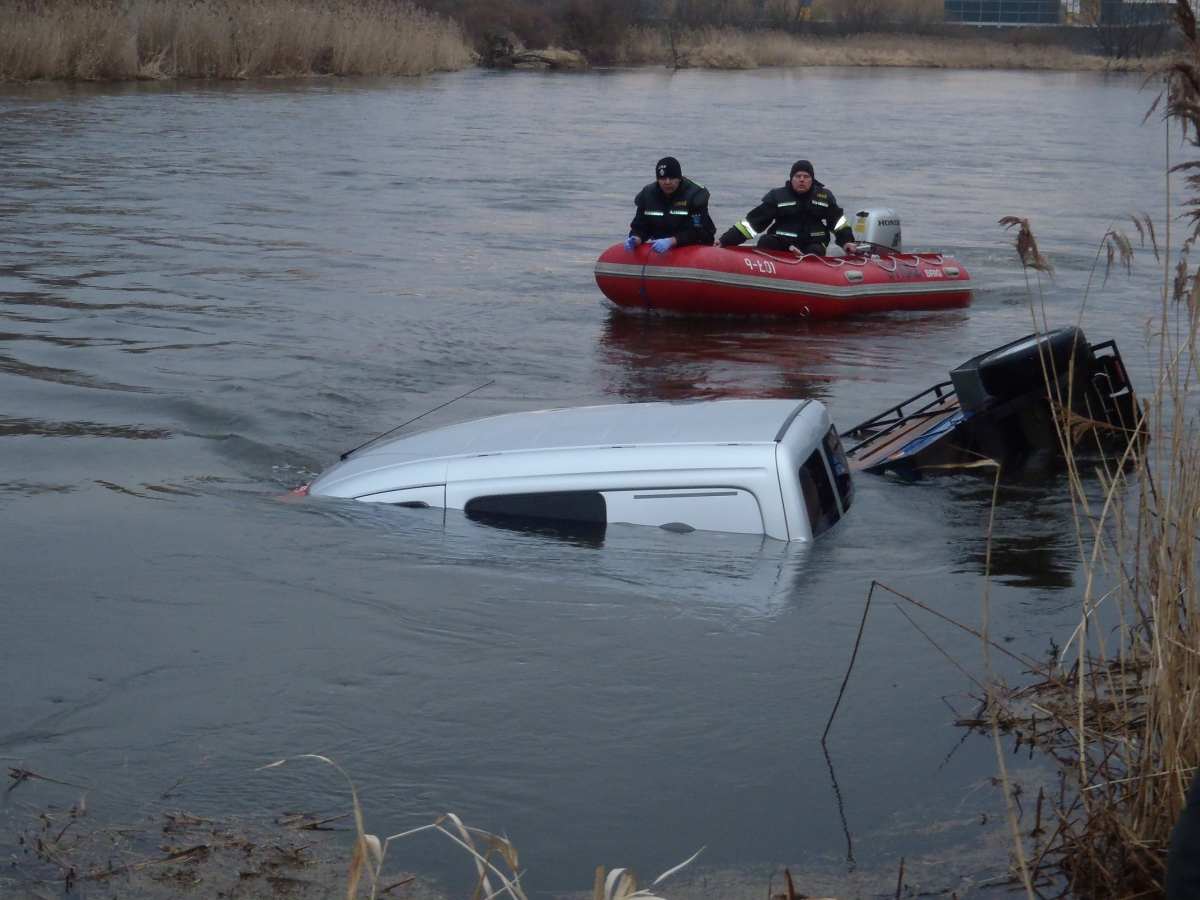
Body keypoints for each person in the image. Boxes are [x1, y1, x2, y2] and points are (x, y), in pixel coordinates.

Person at [717, 160, 858, 256]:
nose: (801, 179)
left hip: (812, 244)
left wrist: (847, 242)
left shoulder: (824, 197)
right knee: (766, 241)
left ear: (812, 180)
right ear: (792, 179)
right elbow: (752, 224)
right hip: (782, 243)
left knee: (815, 251)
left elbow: (839, 223)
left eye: (806, 176)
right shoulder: (777, 196)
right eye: (798, 176)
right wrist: (725, 240)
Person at [624, 157, 716, 254]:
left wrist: (671, 241)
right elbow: (641, 226)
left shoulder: (695, 194)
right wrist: (636, 238)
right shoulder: (648, 195)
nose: (667, 182)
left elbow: (698, 230)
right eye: (663, 178)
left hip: (694, 246)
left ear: (679, 178)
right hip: (661, 246)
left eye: (672, 178)